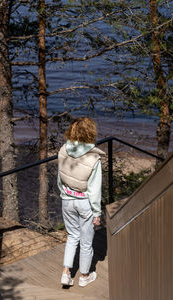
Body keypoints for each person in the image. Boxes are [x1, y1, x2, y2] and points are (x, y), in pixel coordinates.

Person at [57, 117, 105, 287]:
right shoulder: (94, 158)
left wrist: (65, 193)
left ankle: (66, 273)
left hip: (67, 200)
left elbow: (60, 179)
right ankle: (84, 277)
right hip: (85, 203)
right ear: (91, 133)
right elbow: (94, 190)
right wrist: (97, 213)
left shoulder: (63, 150)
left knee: (72, 237)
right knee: (86, 242)